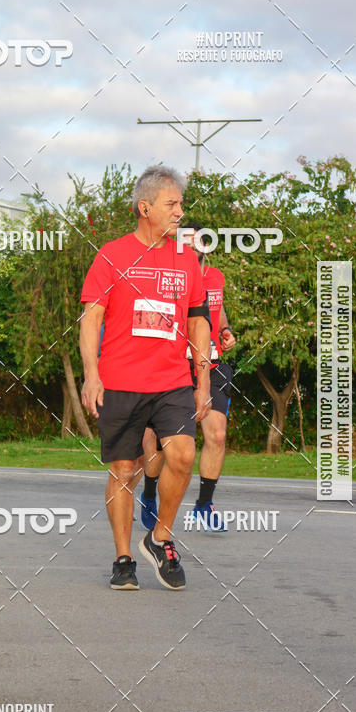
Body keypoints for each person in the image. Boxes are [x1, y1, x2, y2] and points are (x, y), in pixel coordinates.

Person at [80, 165, 212, 591]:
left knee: (183, 455)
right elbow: (90, 318)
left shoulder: (186, 258)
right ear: (144, 207)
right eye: (171, 204)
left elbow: (199, 322)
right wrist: (91, 375)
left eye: (180, 204)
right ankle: (122, 559)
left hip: (172, 379)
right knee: (124, 468)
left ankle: (160, 538)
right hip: (120, 379)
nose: (179, 212)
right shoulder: (112, 255)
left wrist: (202, 382)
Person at [140, 235, 237, 532]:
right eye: (188, 243)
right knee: (157, 441)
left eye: (200, 243)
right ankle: (149, 492)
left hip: (211, 364)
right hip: (173, 364)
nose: (195, 248)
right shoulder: (169, 276)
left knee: (217, 435)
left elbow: (217, 312)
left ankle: (204, 505)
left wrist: (226, 330)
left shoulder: (216, 276)